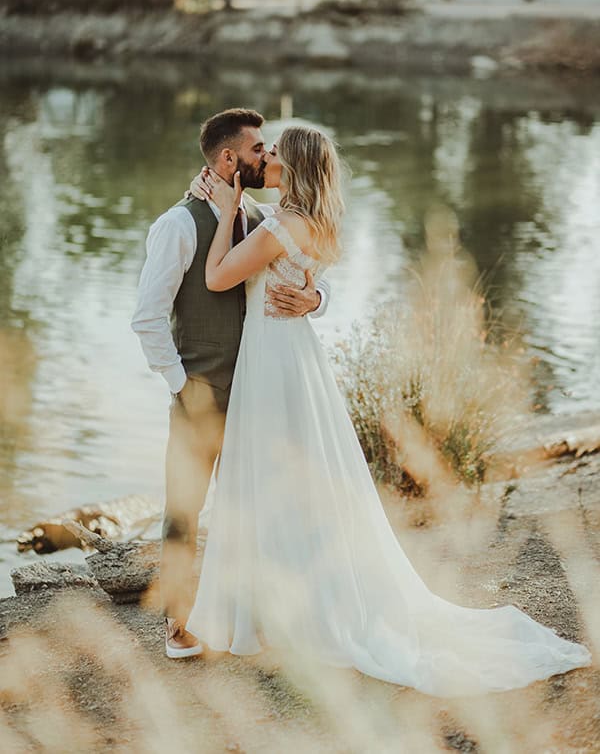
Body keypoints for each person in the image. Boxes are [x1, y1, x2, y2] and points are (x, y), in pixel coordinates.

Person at [184, 124, 592, 696]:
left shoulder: (282, 223)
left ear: (294, 165)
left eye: (275, 151)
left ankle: (277, 609)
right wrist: (316, 298)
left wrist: (226, 210)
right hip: (297, 357)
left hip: (274, 360)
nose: (268, 156)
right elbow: (313, 278)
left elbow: (217, 275)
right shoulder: (320, 223)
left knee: (269, 476)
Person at [131, 109, 331, 659]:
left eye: (269, 150)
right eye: (259, 150)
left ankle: (257, 614)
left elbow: (311, 263)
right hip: (205, 392)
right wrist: (182, 385)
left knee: (262, 500)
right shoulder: (176, 225)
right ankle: (178, 624)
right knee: (186, 506)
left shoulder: (263, 216)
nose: (268, 158)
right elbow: (147, 319)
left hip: (263, 388)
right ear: (228, 160)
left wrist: (316, 300)